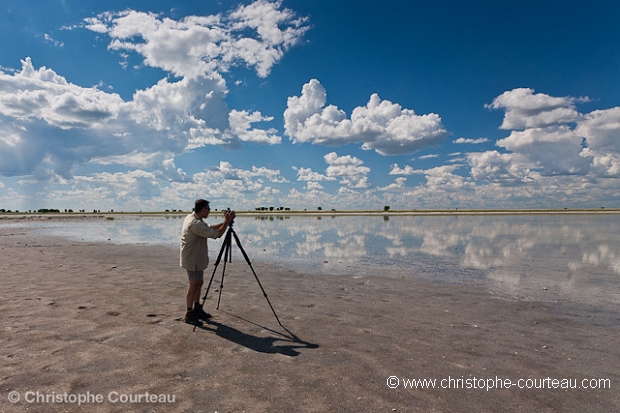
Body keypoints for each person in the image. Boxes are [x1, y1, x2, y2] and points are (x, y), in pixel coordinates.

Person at [180, 199, 236, 324]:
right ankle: (189, 313)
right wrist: (226, 222)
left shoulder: (193, 218)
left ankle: (197, 308)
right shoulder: (195, 223)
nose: (210, 211)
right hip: (192, 258)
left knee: (199, 282)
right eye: (208, 209)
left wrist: (225, 222)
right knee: (194, 284)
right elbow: (218, 234)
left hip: (196, 257)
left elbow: (209, 228)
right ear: (203, 209)